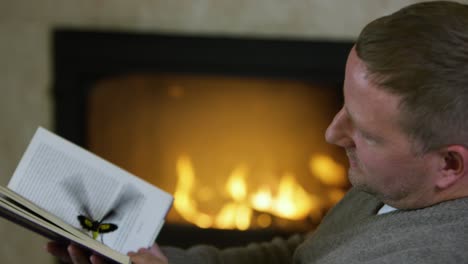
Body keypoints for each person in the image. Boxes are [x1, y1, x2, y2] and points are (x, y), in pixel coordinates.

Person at [46, 1, 468, 263]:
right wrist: (160, 260)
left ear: (449, 164)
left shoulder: (435, 253)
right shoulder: (400, 184)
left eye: (366, 132)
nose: (332, 133)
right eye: (344, 108)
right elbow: (295, 257)